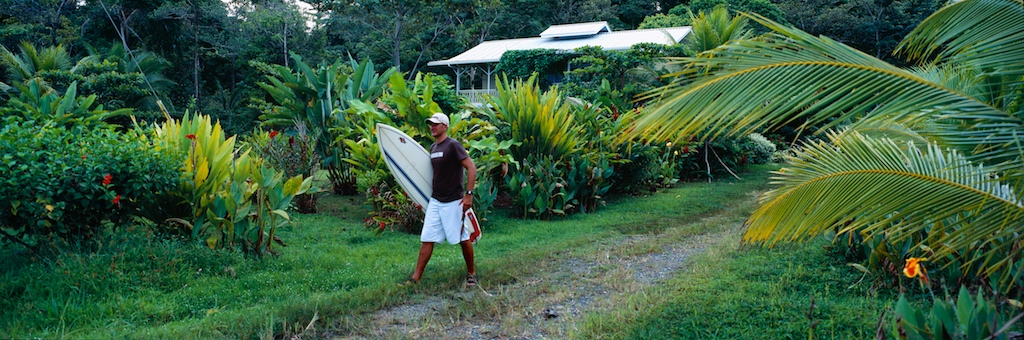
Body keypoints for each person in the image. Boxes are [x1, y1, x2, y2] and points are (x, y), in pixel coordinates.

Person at [402, 112, 478, 287]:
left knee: (462, 237)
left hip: (454, 201)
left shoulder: (453, 146)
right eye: (431, 124)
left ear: (445, 126)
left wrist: (468, 195)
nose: (432, 127)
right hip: (436, 201)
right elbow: (430, 176)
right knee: (427, 237)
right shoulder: (433, 148)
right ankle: (415, 278)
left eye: (436, 124)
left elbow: (471, 167)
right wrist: (418, 195)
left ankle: (472, 273)